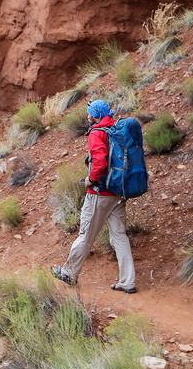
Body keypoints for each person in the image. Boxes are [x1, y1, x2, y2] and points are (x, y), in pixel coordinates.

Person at [53, 100, 137, 293]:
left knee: (86, 234)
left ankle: (69, 273)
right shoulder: (115, 128)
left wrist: (91, 179)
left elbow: (99, 160)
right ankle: (128, 281)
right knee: (120, 236)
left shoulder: (97, 133)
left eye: (90, 114)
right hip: (118, 192)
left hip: (100, 194)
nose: (87, 117)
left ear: (96, 116)